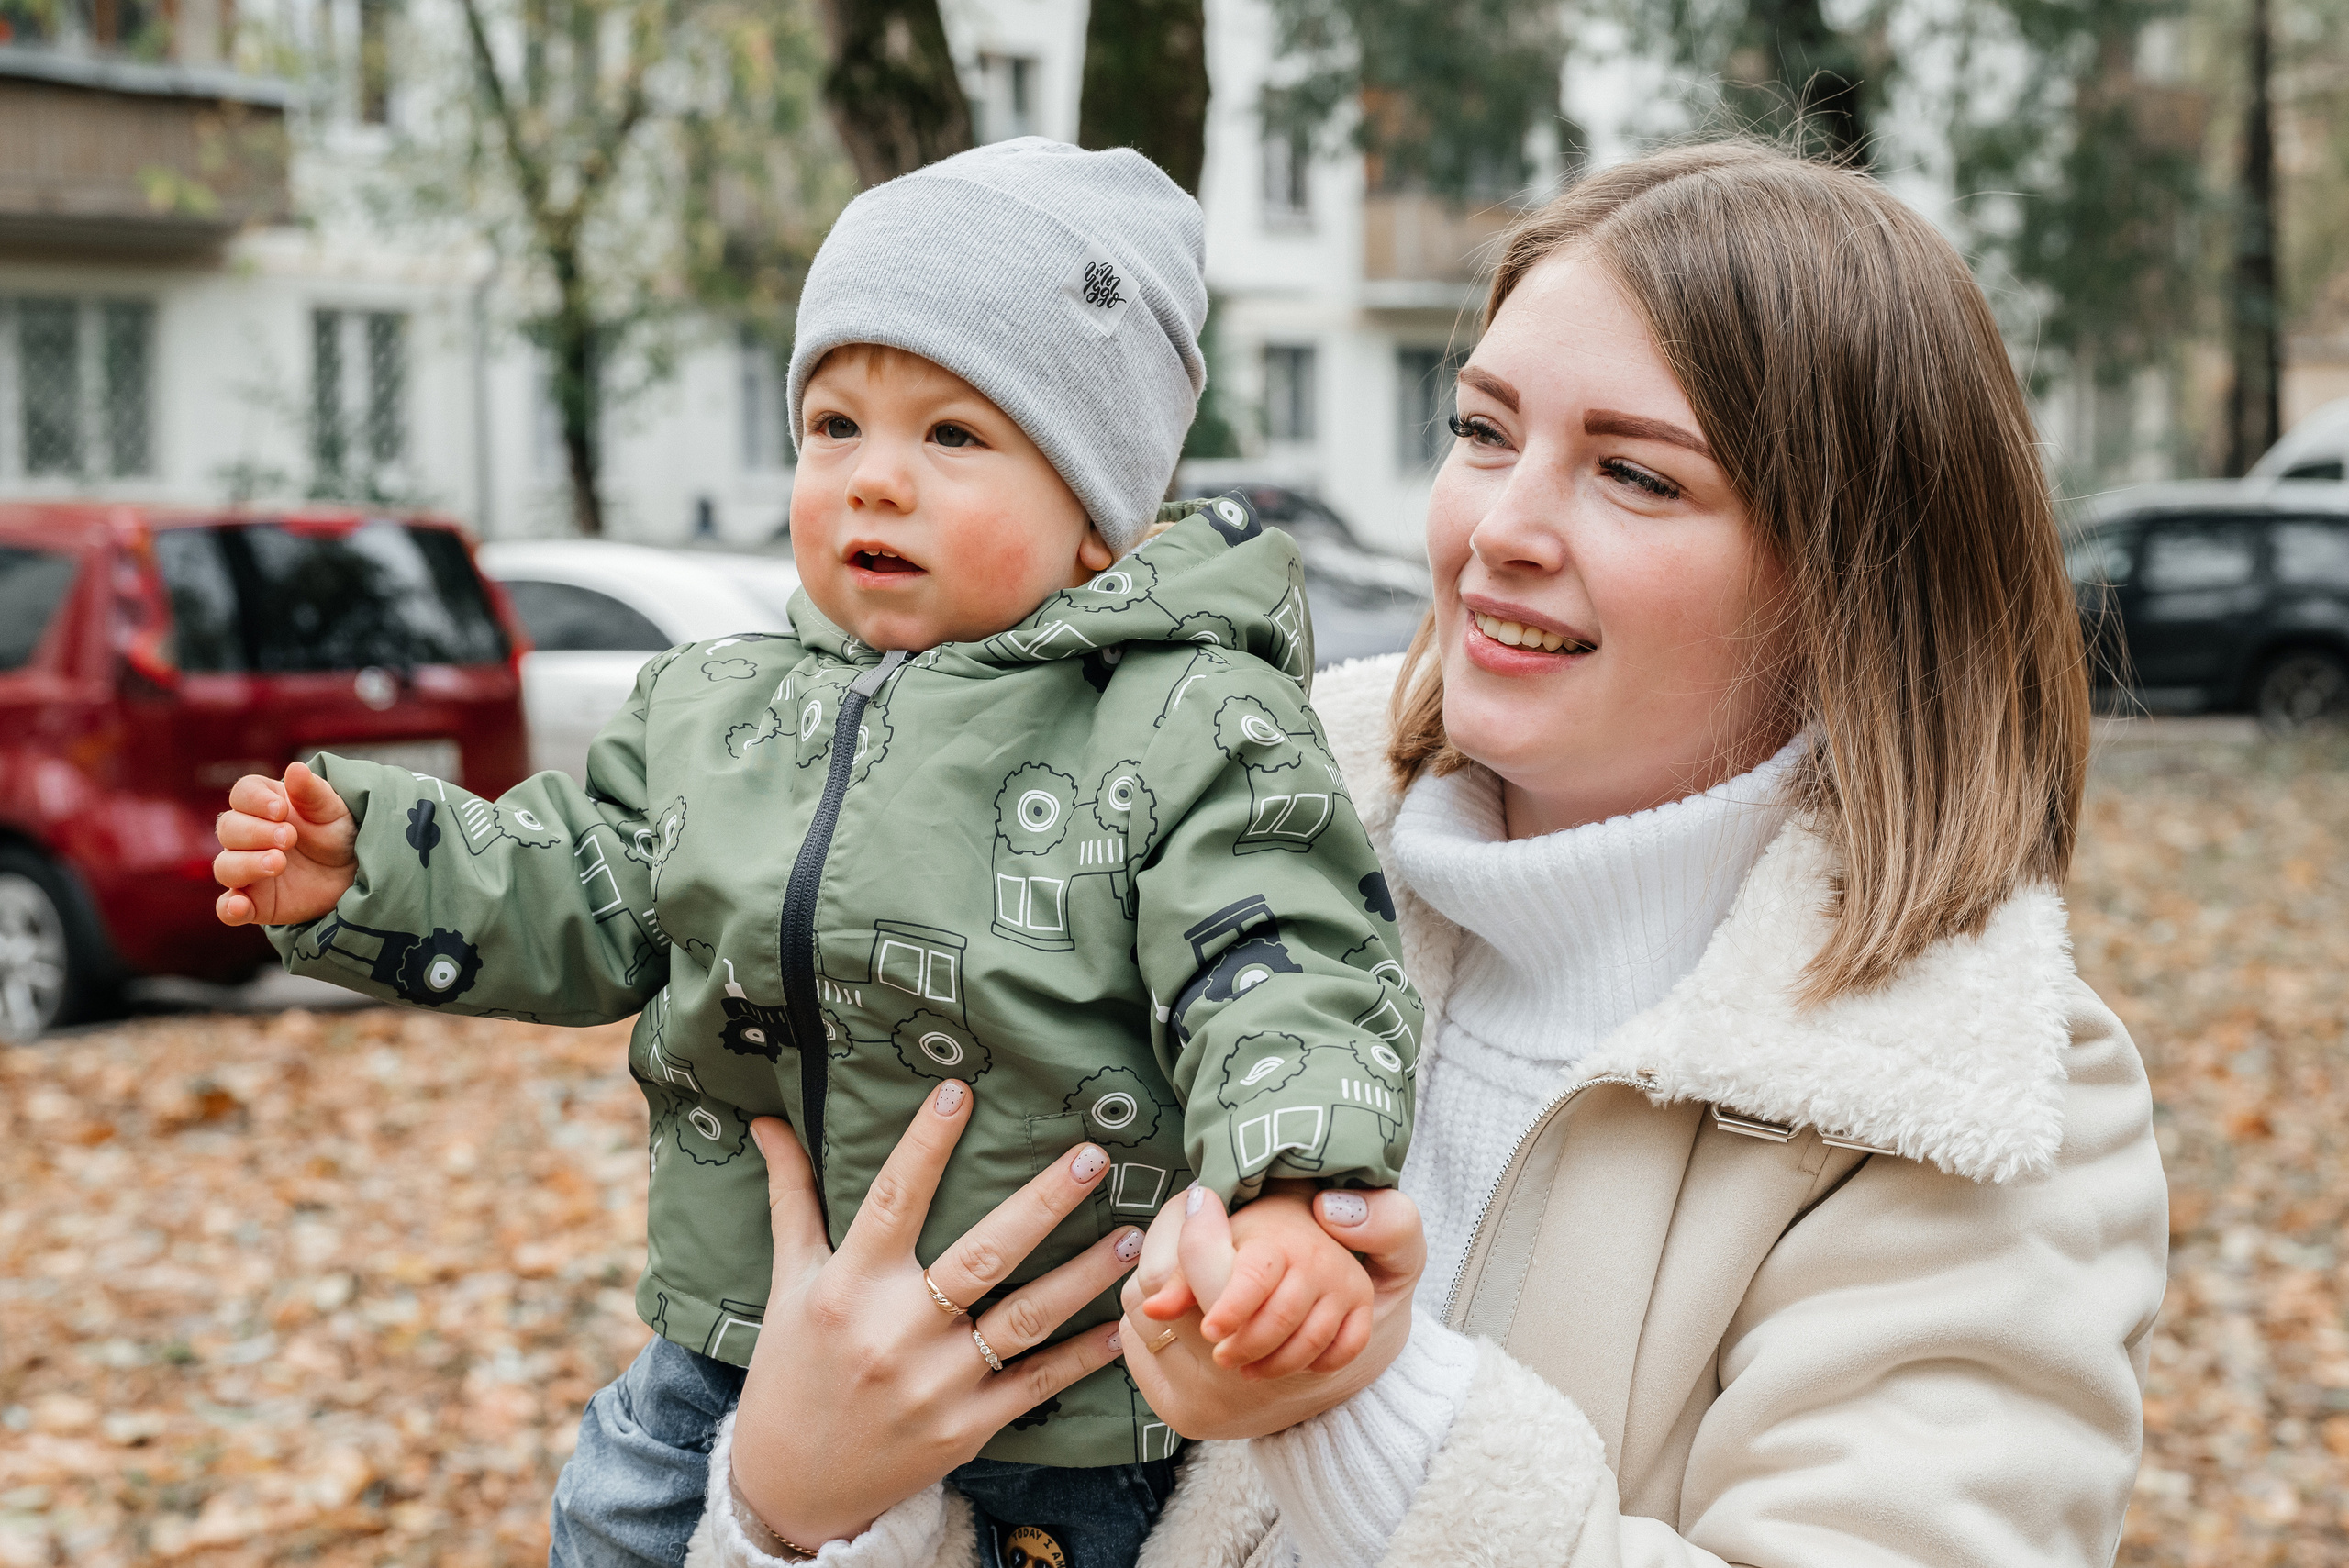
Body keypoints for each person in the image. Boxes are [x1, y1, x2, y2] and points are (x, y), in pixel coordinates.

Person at [685, 140, 2169, 1567]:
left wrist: (1348, 1387)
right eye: (1481, 431)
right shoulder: (1191, 848)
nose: (1499, 527)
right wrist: (788, 1503)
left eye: (1636, 475)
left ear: (1856, 575)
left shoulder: (1962, 1094)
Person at [208, 139, 1422, 1568]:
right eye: (834, 424)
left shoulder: (1187, 721)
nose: (873, 481)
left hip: (1062, 1405)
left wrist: (1290, 1196)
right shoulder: (715, 708)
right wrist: (373, 872)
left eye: (953, 436)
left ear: (1098, 513)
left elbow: (1284, 967)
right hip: (730, 1342)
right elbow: (589, 883)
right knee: (611, 1529)